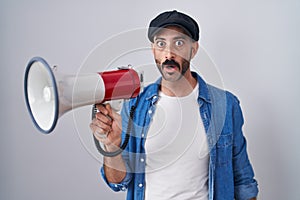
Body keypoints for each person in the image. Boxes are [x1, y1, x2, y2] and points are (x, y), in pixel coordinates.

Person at [90, 10, 258, 200]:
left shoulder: (226, 105)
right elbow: (118, 181)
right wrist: (112, 148)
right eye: (161, 44)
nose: (169, 54)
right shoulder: (134, 105)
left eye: (179, 43)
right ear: (153, 50)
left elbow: (243, 181)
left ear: (193, 49)